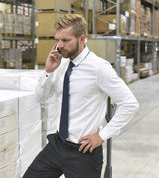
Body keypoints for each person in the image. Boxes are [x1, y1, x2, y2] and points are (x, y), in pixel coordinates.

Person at [23, 14, 139, 178]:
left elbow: (130, 104)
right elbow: (40, 99)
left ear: (82, 39)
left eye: (65, 40)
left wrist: (102, 135)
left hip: (84, 151)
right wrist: (48, 72)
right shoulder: (61, 64)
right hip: (57, 144)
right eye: (58, 40)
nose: (59, 46)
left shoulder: (99, 68)